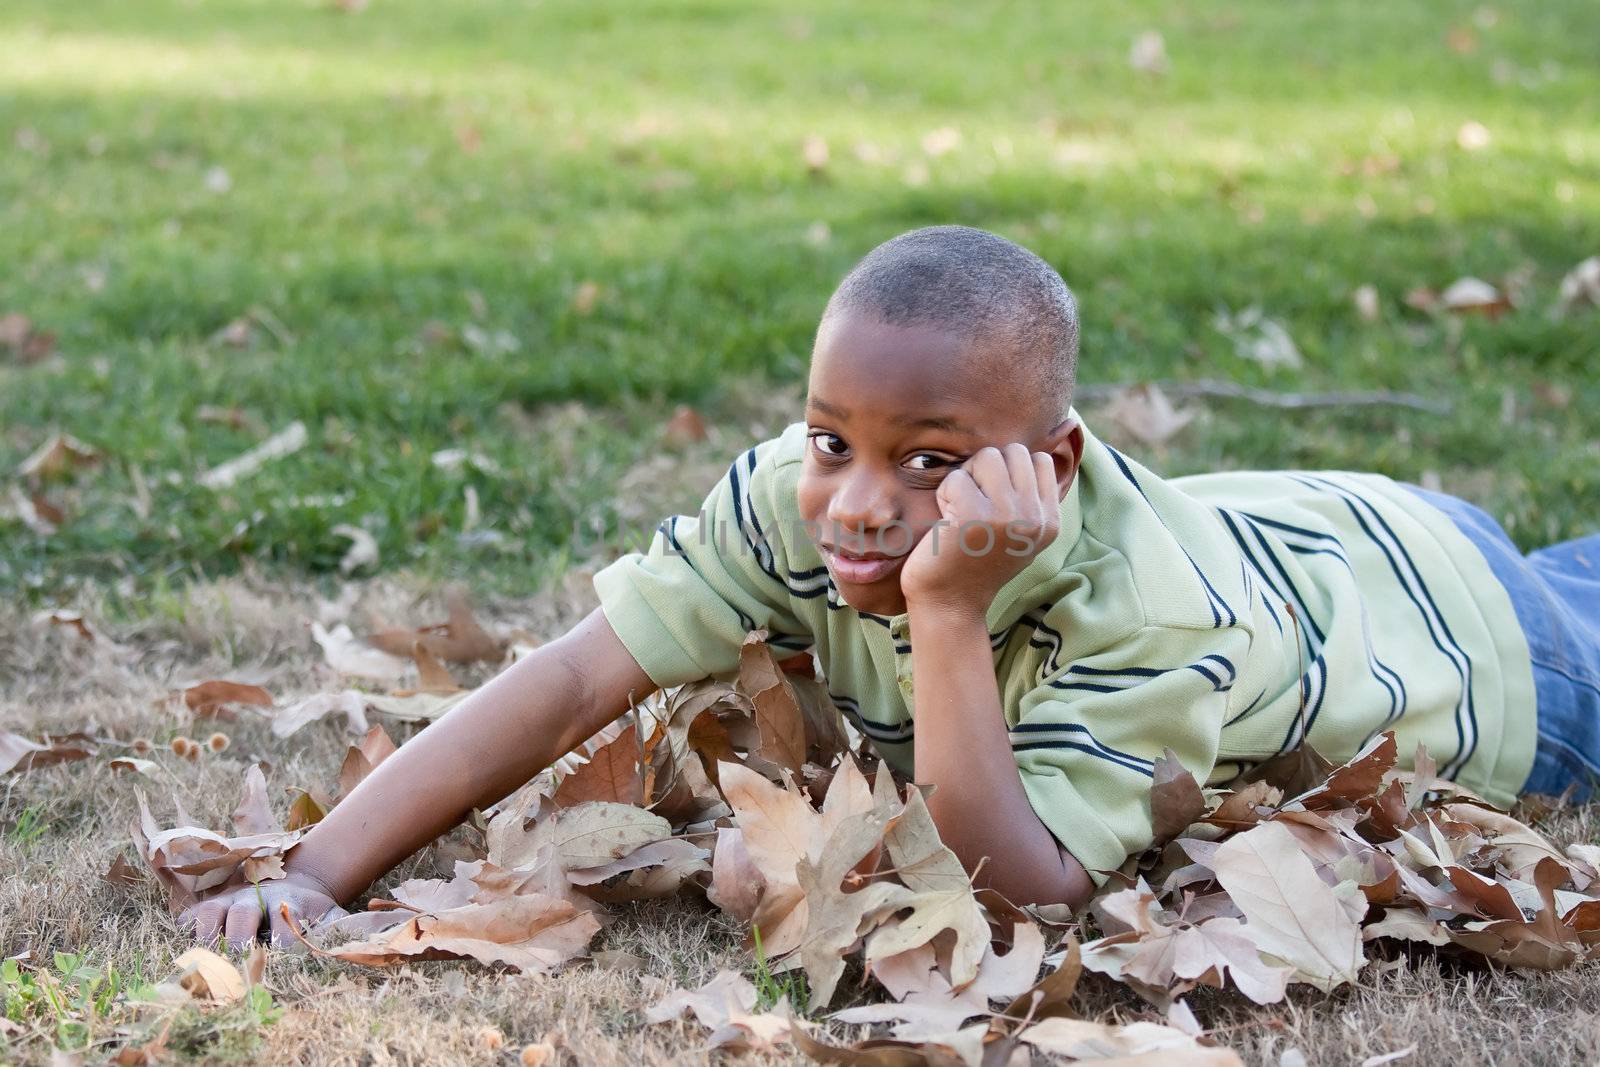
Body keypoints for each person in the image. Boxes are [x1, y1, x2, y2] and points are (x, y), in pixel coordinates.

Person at [182, 226, 1600, 948]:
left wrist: (945, 613)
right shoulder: (792, 506)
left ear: (1049, 465)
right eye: (830, 441)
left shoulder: (1144, 610)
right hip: (1323, 533)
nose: (860, 501)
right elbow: (568, 680)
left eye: (929, 460)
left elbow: (1021, 884)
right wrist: (313, 876)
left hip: (1494, 653)